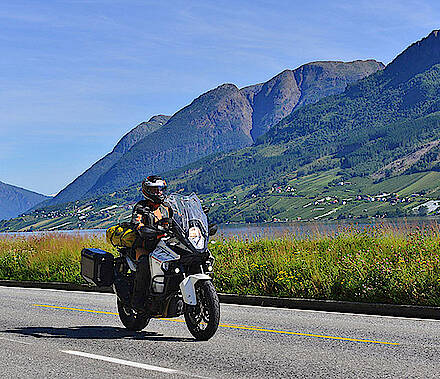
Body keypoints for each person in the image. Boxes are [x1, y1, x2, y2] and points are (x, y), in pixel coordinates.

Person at [130, 175, 170, 312]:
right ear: (147, 191)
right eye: (155, 190)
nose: (159, 192)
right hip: (145, 245)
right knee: (144, 264)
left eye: (160, 189)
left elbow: (179, 218)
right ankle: (138, 302)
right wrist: (144, 229)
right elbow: (137, 223)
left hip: (164, 245)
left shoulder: (167, 206)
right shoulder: (141, 207)